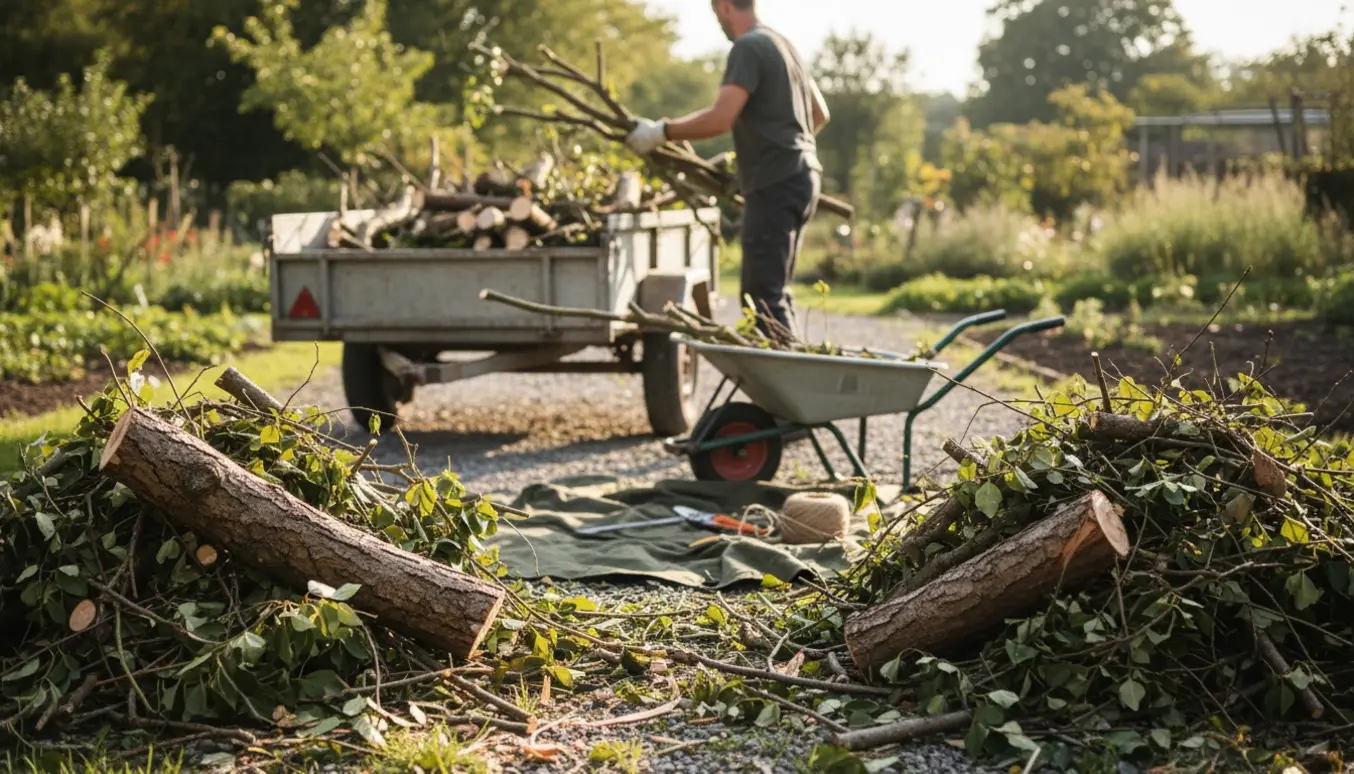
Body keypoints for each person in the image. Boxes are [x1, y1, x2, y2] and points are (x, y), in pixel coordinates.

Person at [625, 0, 830, 337]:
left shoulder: (748, 47)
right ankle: (787, 374)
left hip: (776, 182)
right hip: (804, 176)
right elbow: (819, 114)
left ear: (723, 6)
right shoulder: (783, 44)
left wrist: (659, 132)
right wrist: (777, 146)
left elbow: (721, 117)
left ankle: (785, 386)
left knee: (762, 300)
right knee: (774, 293)